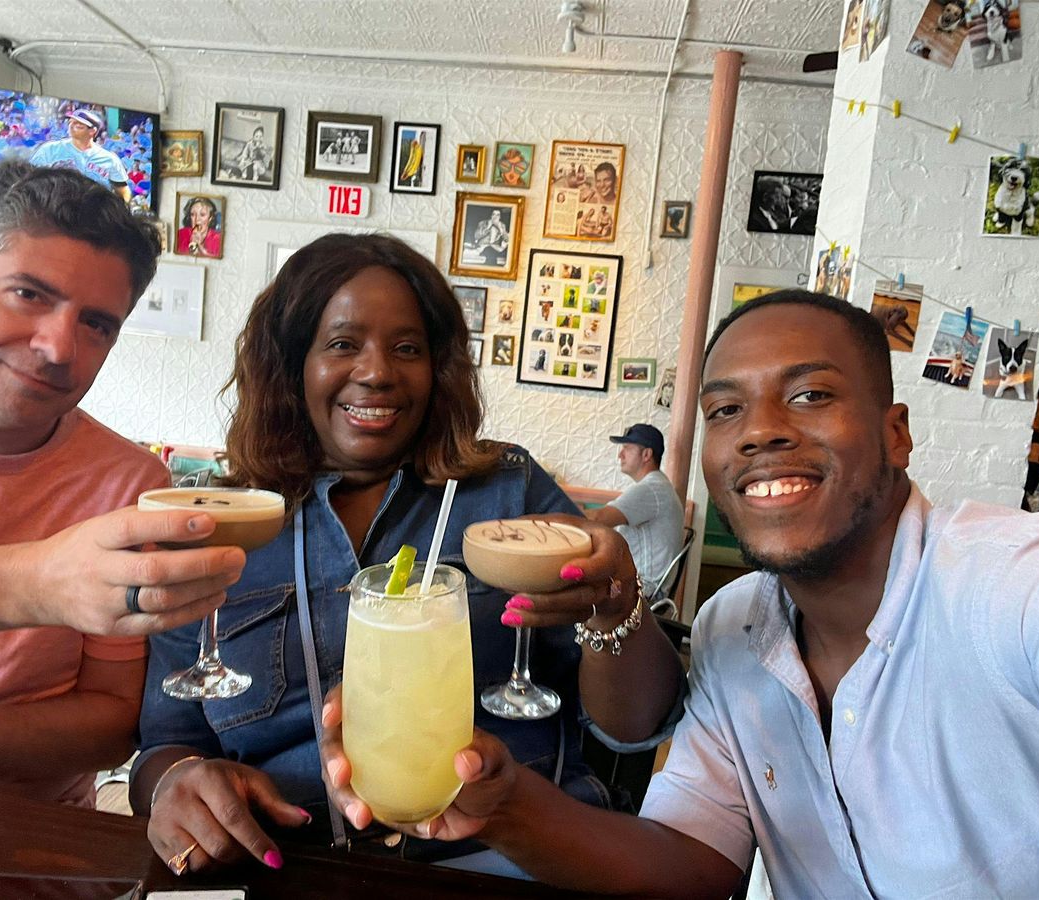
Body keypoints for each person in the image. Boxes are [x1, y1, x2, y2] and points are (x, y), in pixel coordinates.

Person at [327, 290, 1039, 897]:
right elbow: (692, 863)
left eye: (810, 395)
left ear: (896, 434)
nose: (759, 433)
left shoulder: (1023, 588)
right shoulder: (733, 628)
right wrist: (502, 805)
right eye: (725, 411)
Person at [130, 233, 683, 877]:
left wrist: (616, 606)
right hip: (289, 865)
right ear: (292, 364)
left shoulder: (510, 495)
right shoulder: (226, 524)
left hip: (506, 860)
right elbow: (166, 742)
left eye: (407, 348)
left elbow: (633, 728)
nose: (377, 372)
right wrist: (177, 783)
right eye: (342, 344)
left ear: (438, 369)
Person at [0, 162, 245, 803]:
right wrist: (42, 581)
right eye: (28, 294)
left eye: (97, 324)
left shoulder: (128, 484)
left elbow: (110, 727)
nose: (59, 347)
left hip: (22, 831)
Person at [586, 425, 683, 596]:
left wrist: (557, 517)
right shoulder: (657, 486)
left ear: (646, 454)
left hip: (642, 591)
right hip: (644, 586)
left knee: (572, 584)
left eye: (627, 448)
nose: (620, 455)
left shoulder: (652, 489)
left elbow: (598, 518)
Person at [30, 108, 132, 205]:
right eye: (71, 122)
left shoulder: (109, 159)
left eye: (79, 125)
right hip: (55, 207)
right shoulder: (50, 149)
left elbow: (123, 191)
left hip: (92, 210)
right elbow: (30, 176)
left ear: (92, 131)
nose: (72, 126)